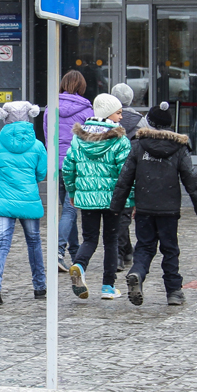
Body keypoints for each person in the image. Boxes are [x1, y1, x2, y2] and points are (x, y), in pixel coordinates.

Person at [110, 102, 197, 307]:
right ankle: (174, 291)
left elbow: (125, 177)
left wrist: (116, 206)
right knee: (170, 249)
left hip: (144, 207)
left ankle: (137, 272)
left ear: (150, 122)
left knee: (145, 246)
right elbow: (191, 177)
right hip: (168, 209)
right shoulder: (179, 147)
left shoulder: (138, 145)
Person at [63, 94, 132, 301]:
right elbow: (126, 173)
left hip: (87, 199)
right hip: (113, 199)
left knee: (90, 238)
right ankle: (108, 287)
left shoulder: (79, 138)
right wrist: (130, 199)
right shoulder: (120, 140)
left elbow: (68, 168)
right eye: (118, 113)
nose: (121, 117)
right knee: (111, 240)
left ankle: (79, 265)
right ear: (108, 114)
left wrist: (73, 192)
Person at [0, 101, 47, 306]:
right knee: (34, 242)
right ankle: (39, 286)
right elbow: (41, 174)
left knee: (2, 242)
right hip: (29, 199)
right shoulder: (37, 145)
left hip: (3, 199)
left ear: (5, 119)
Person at [43, 70, 93, 272]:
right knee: (71, 210)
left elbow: (48, 137)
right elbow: (88, 143)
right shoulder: (87, 111)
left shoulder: (50, 108)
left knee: (67, 211)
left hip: (56, 166)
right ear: (81, 86)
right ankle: (58, 251)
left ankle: (74, 252)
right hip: (76, 166)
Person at [110, 82, 148, 271]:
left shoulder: (107, 120)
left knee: (118, 213)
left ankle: (120, 253)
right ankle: (123, 252)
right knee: (124, 212)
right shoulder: (141, 121)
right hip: (133, 169)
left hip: (111, 170)